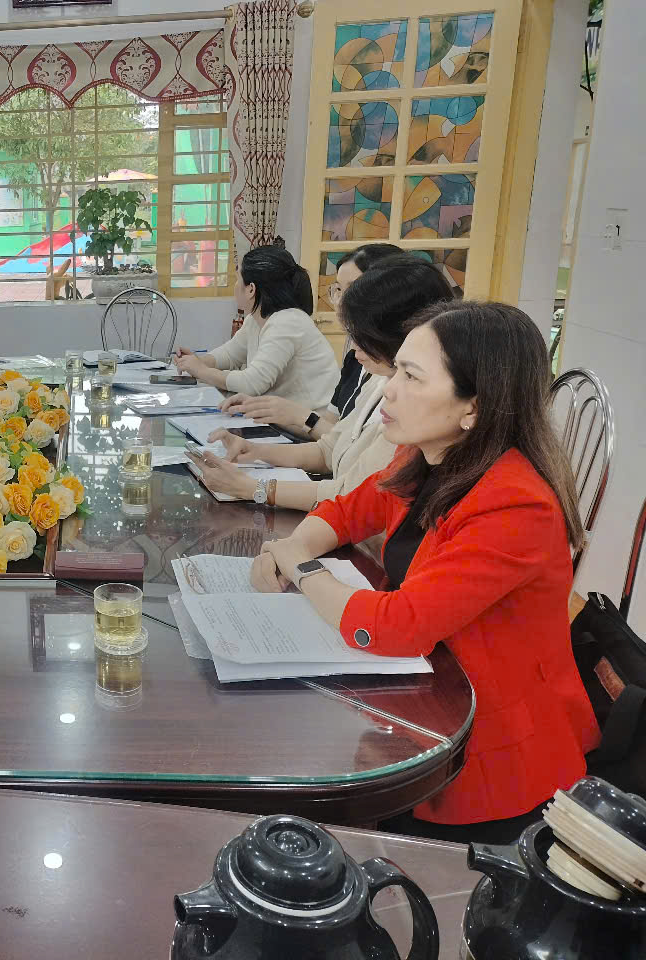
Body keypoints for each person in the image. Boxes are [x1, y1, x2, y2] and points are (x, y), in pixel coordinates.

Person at [249, 301, 598, 838]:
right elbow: (346, 511)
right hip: (418, 700)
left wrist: (301, 569)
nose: (388, 390)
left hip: (485, 753)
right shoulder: (427, 455)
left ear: (473, 406)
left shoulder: (515, 503)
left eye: (411, 377)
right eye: (396, 371)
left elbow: (397, 625)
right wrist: (290, 546)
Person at [188, 256, 454, 536]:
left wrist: (252, 488)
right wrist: (254, 452)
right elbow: (330, 449)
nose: (354, 347)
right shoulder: (379, 380)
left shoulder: (412, 408)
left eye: (362, 337)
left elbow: (350, 496)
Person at [223, 242, 403, 437]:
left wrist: (297, 415)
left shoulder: (395, 371)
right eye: (338, 290)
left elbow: (344, 443)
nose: (341, 302)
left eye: (353, 289)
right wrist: (268, 410)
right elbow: (330, 434)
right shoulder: (354, 360)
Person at [174, 245, 338, 415]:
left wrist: (201, 371)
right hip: (285, 417)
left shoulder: (288, 322)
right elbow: (230, 354)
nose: (235, 286)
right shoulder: (255, 320)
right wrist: (197, 362)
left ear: (251, 289)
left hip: (312, 422)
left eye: (237, 279)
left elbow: (253, 383)